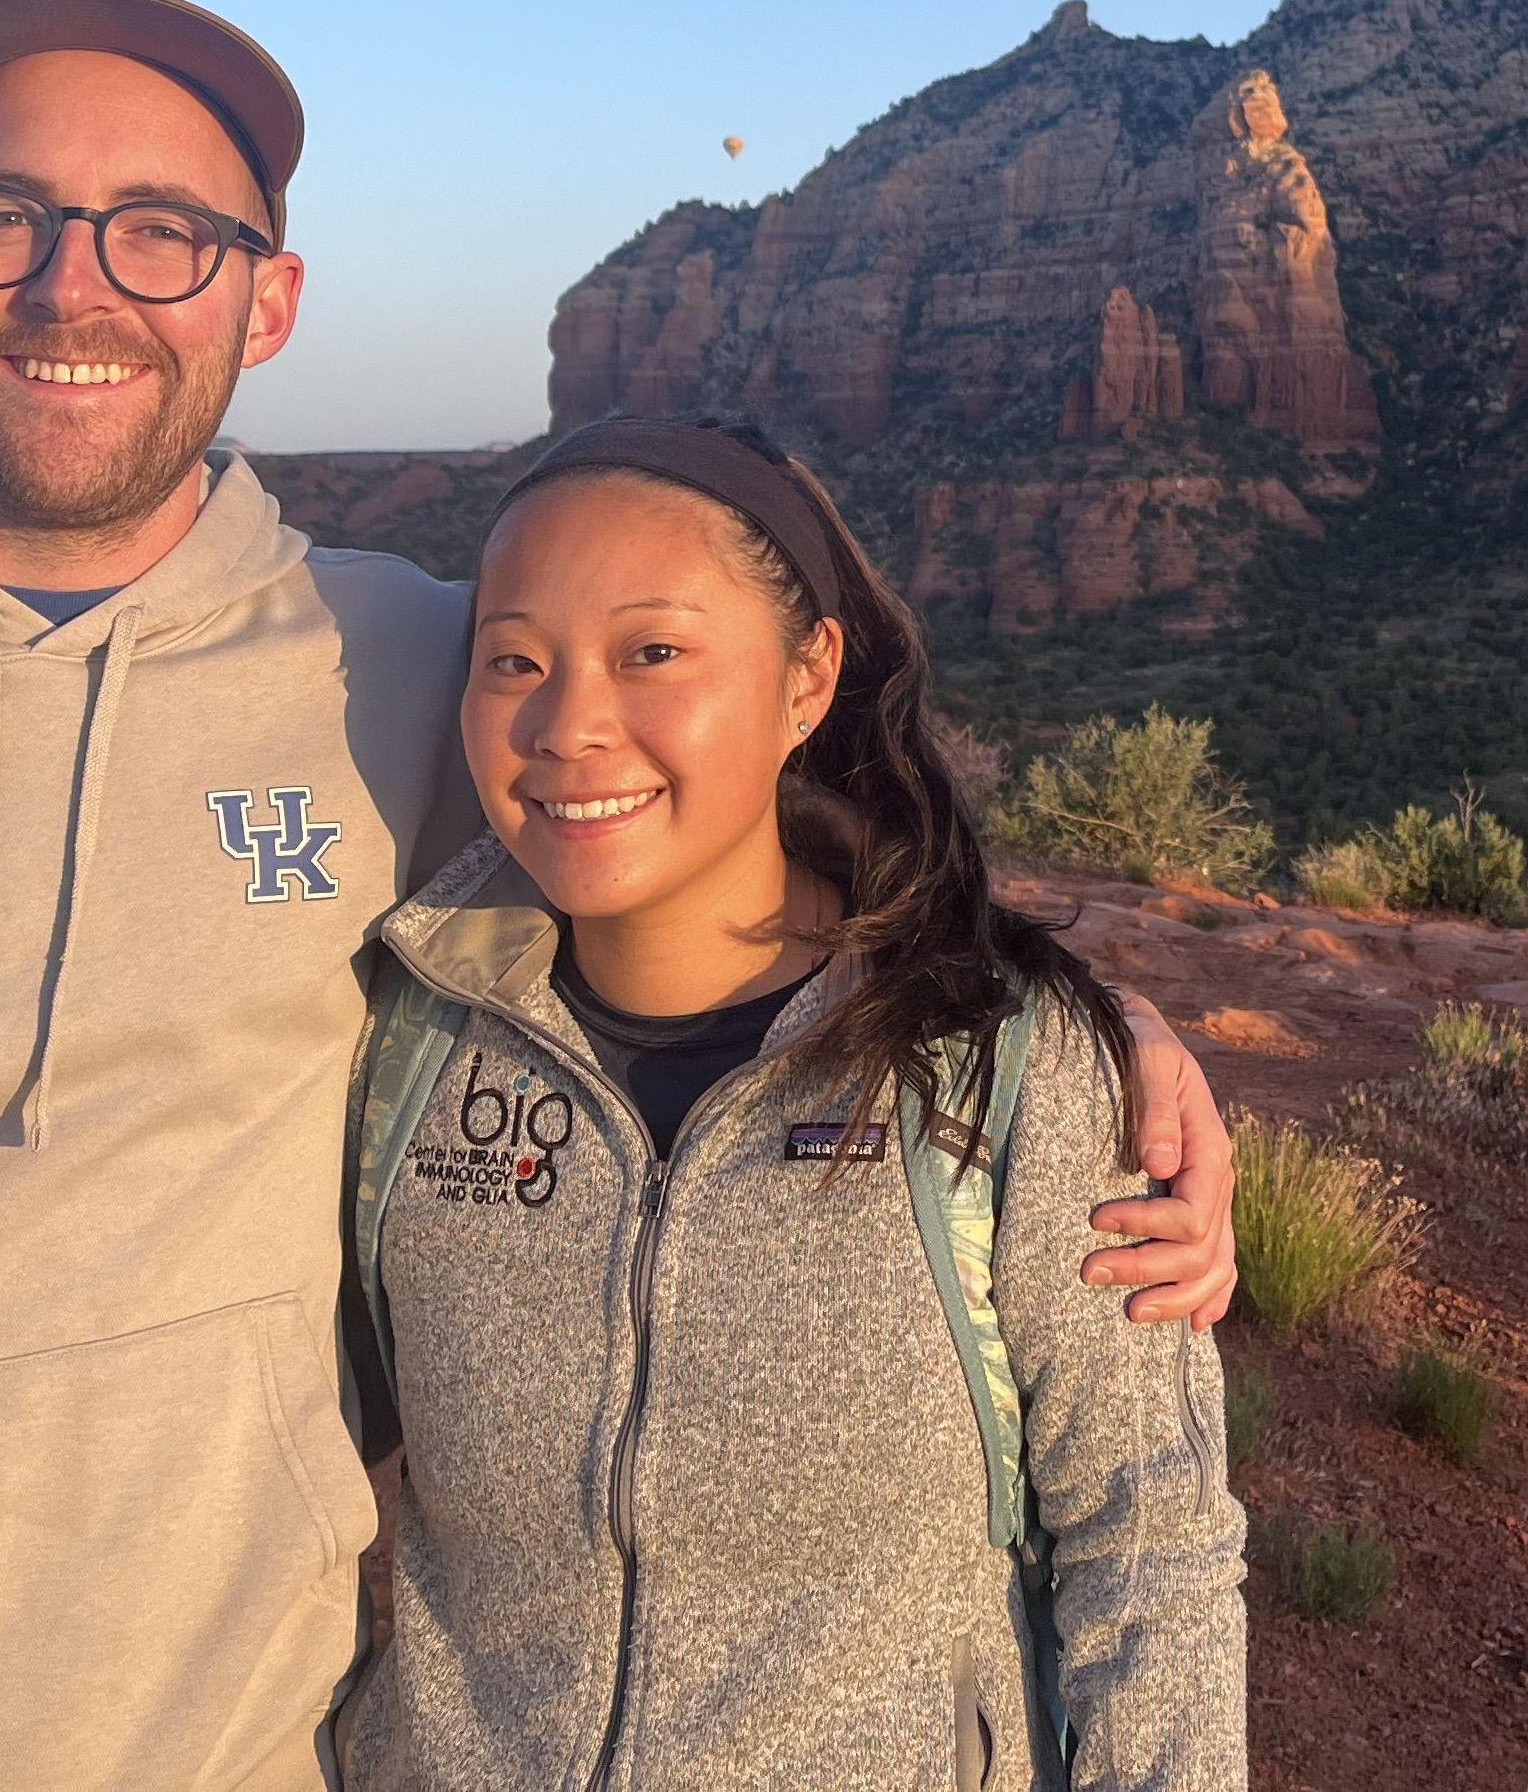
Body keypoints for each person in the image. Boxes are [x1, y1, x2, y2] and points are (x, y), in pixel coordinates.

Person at [0, 0, 1237, 1792]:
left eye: (164, 234)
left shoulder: (403, 658)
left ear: (264, 302)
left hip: (233, 1751)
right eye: (2, 220)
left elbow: (712, 784)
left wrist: (1084, 1042)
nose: (78, 288)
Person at [342, 414, 1247, 1792]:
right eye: (512, 661)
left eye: (653, 653)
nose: (569, 724)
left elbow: (1152, 1545)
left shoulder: (1002, 1061)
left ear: (809, 676)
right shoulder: (406, 1045)